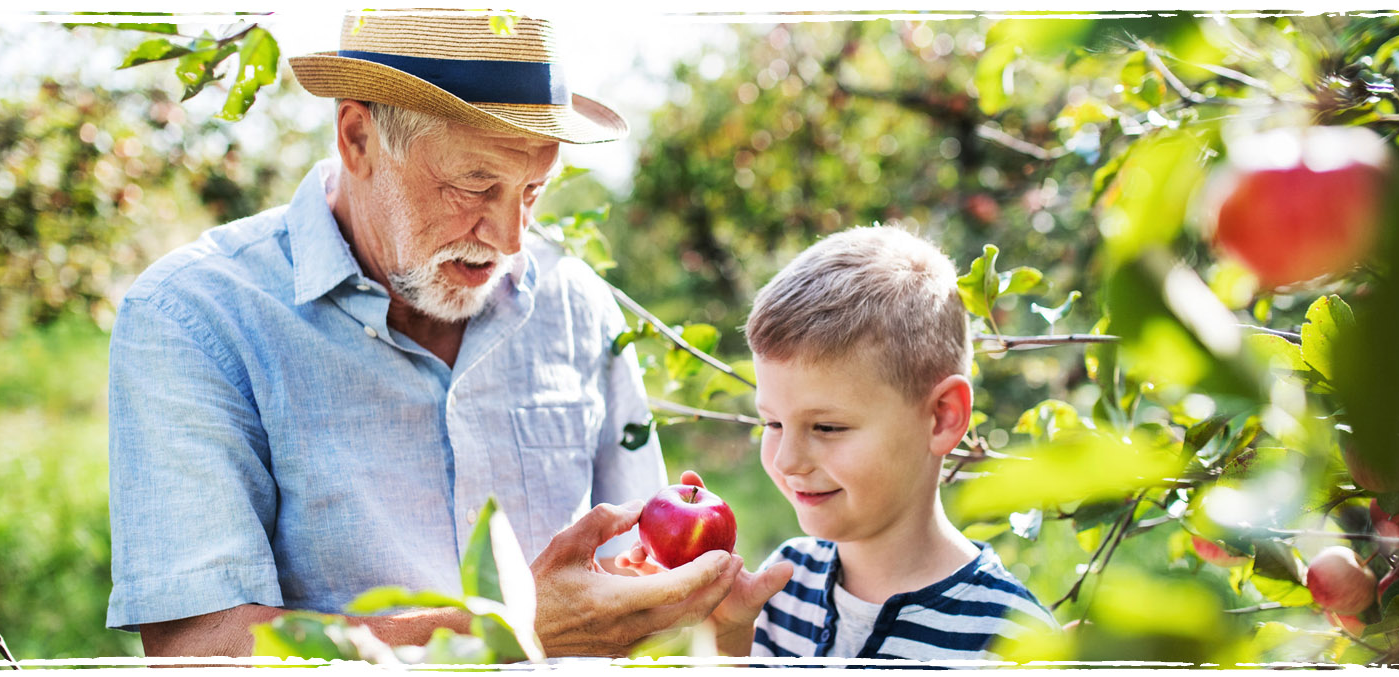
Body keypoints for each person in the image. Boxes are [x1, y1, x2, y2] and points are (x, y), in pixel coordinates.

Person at [106, 10, 740, 658]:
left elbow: (645, 575)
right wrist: (509, 632)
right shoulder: (197, 319)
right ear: (357, 139)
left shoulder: (577, 305)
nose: (512, 237)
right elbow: (198, 648)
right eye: (474, 185)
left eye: (531, 191)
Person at [622, 226, 1055, 661]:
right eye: (772, 422)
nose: (788, 461)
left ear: (942, 417)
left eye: (827, 428)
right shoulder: (785, 583)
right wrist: (729, 639)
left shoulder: (1013, 642)